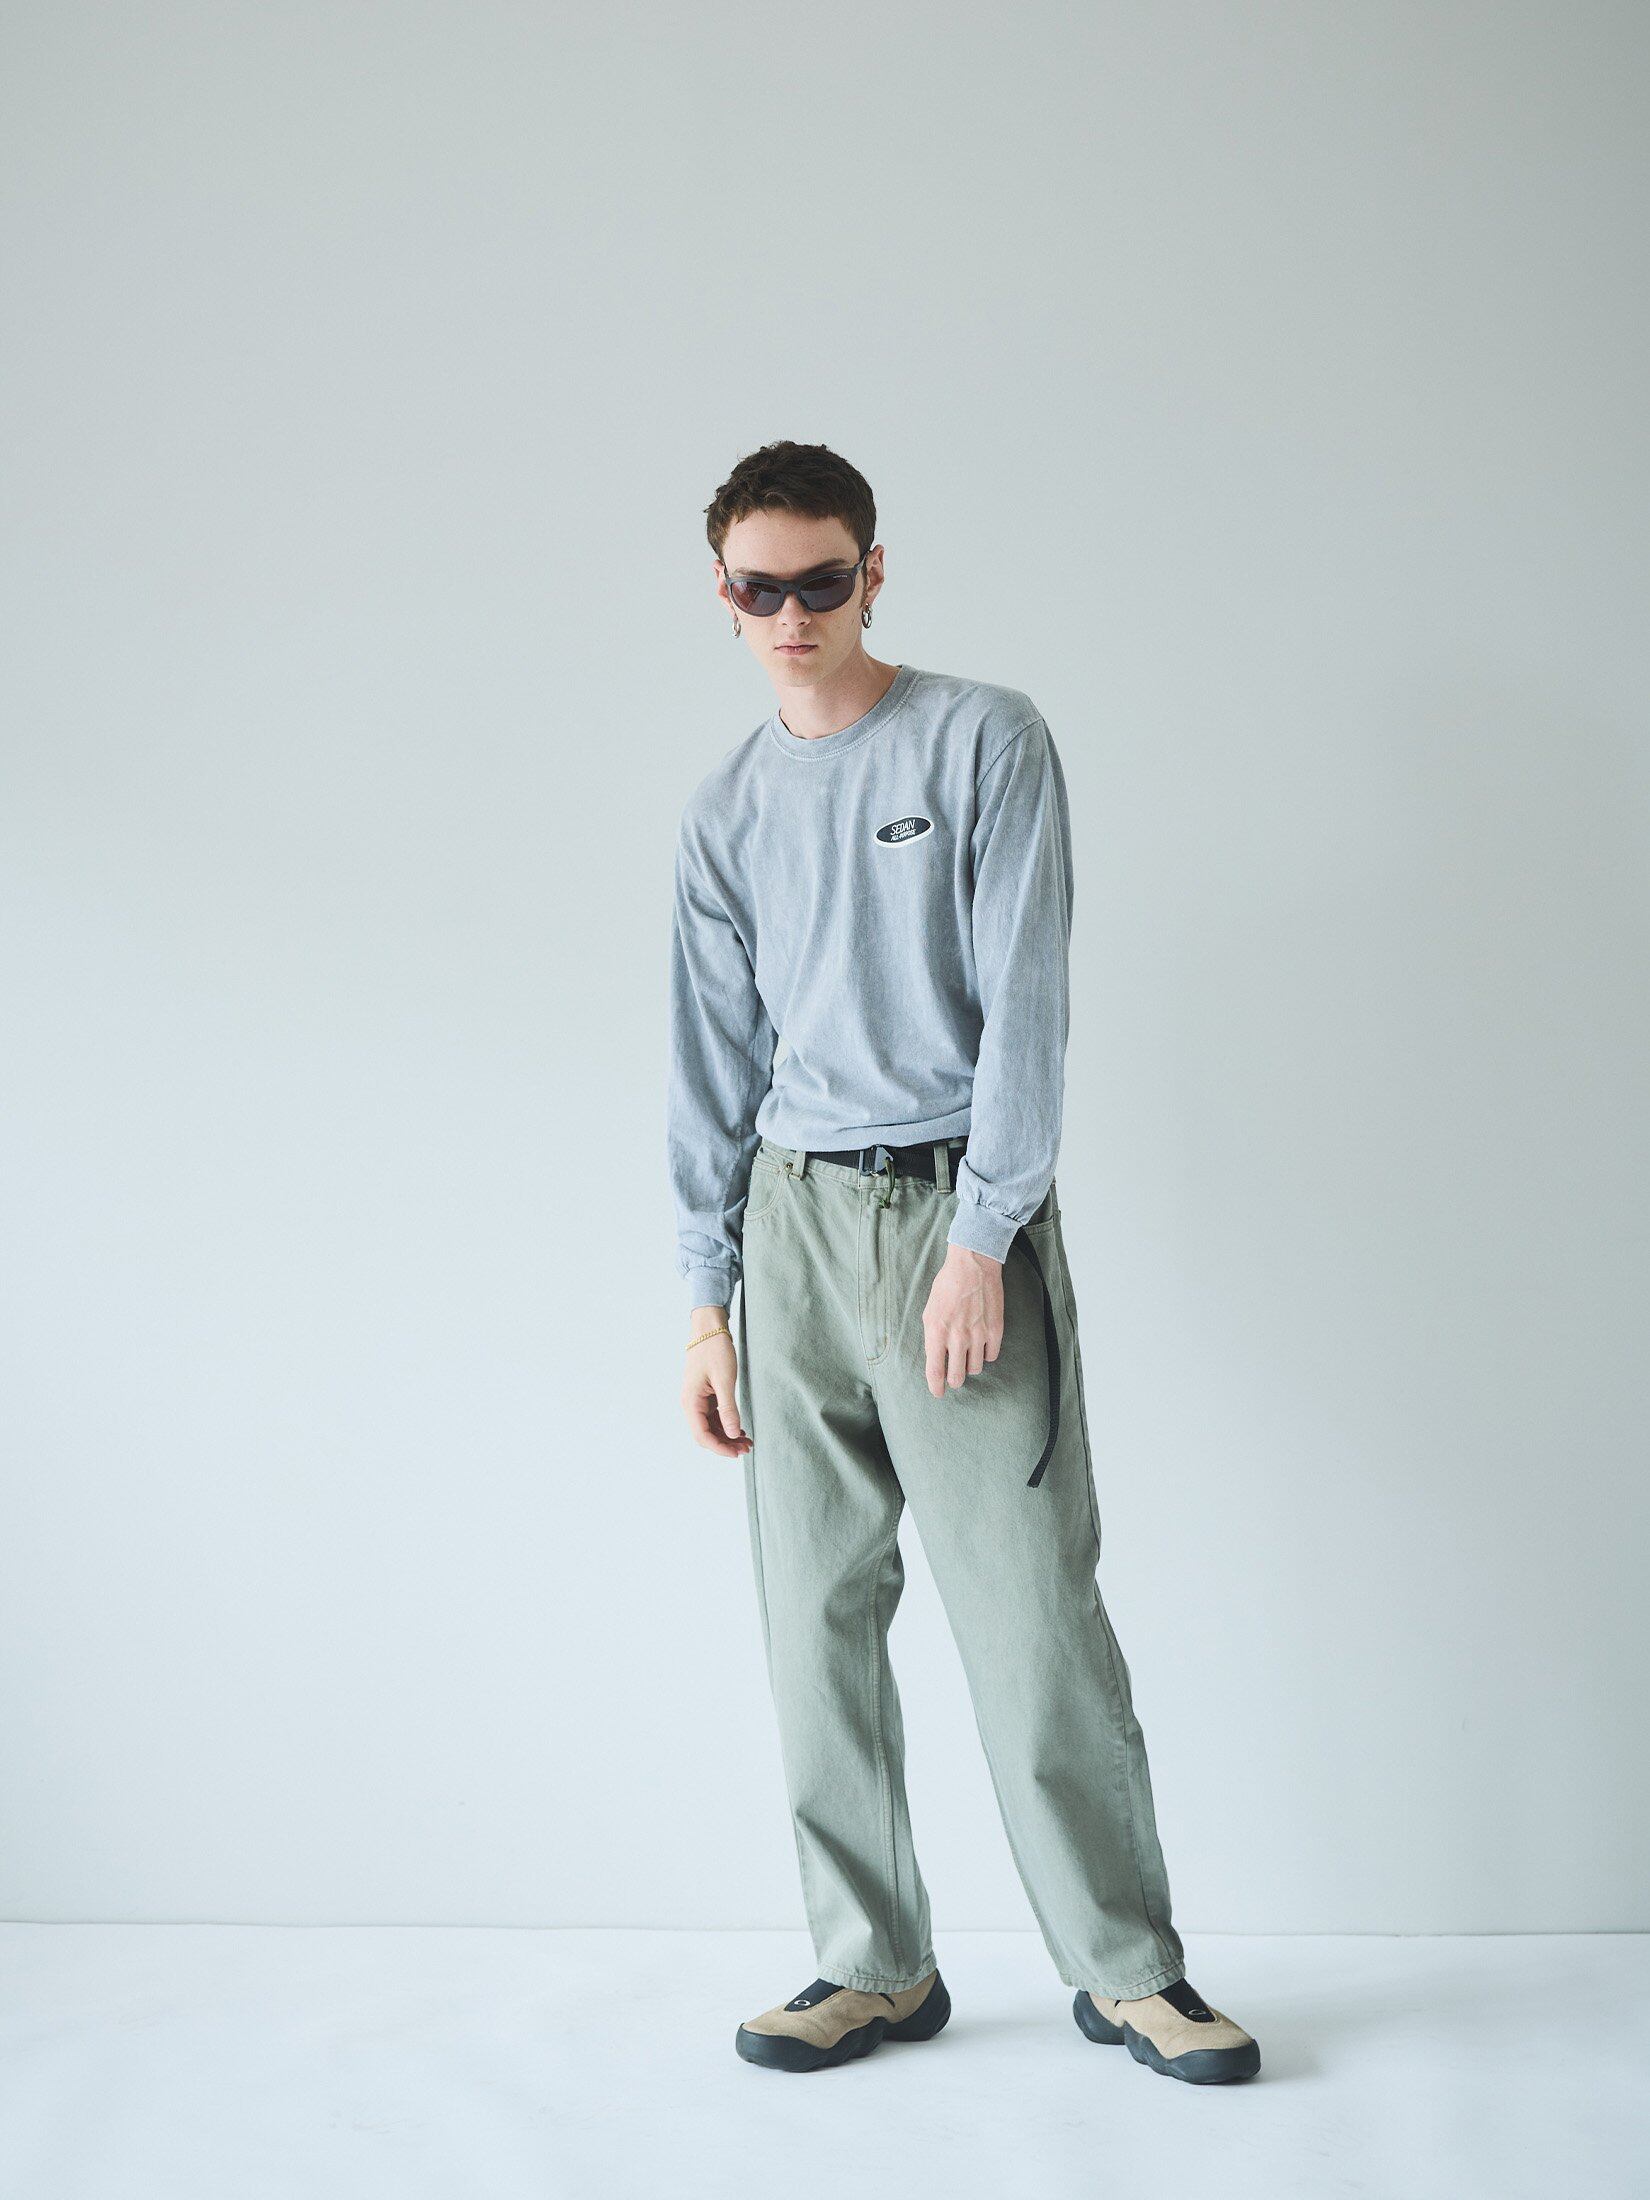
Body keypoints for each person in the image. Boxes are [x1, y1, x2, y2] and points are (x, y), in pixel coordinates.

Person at [665, 439, 1259, 2085]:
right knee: (814, 1620)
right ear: (722, 595)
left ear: (873, 573)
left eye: (821, 580)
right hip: (789, 1227)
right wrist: (704, 1301)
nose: (792, 614)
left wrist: (984, 1234)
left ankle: (1127, 1970)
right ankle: (869, 1964)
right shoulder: (723, 807)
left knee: (1029, 1615)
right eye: (759, 589)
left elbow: (1026, 1000)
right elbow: (708, 1060)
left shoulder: (982, 738)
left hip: (948, 1214)